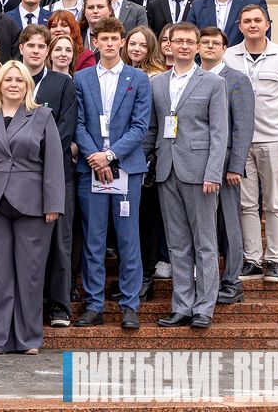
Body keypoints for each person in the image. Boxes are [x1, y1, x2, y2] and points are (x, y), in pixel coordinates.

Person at [0, 61, 64, 354]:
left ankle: (28, 339)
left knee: (30, 274)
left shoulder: (42, 115)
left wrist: (53, 203)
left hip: (32, 204)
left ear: (27, 85)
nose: (14, 84)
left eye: (20, 80)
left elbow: (54, 163)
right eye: (9, 80)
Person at [145, 22, 229, 329]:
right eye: (177, 40)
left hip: (200, 172)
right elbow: (154, 128)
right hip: (167, 171)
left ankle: (204, 308)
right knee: (178, 243)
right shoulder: (157, 83)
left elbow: (220, 133)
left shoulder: (212, 83)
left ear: (196, 47)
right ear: (168, 44)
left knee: (205, 243)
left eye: (188, 41)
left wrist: (213, 173)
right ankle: (182, 305)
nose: (182, 45)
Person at [72, 17, 151, 330]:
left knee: (128, 239)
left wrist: (110, 155)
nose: (107, 43)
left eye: (113, 38)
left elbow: (140, 126)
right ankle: (94, 304)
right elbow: (77, 123)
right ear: (95, 41)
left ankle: (130, 305)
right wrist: (95, 156)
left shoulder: (138, 79)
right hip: (90, 168)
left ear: (122, 42)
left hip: (126, 168)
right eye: (102, 38)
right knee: (94, 239)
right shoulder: (82, 78)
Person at [225, 4, 278, 282]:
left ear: (267, 23)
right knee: (246, 204)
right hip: (240, 143)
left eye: (257, 20)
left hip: (273, 140)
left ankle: (273, 260)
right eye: (246, 21)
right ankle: (252, 259)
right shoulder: (229, 57)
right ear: (239, 26)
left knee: (273, 202)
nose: (252, 25)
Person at [16, 26, 78, 328]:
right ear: (22, 49)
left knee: (60, 241)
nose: (36, 51)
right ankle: (26, 304)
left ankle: (59, 306)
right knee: (25, 241)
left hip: (57, 172)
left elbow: (66, 127)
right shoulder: (12, 79)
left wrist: (39, 155)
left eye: (42, 46)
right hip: (19, 175)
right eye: (31, 46)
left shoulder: (61, 83)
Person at [198, 26, 255, 304]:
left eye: (215, 43)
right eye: (204, 42)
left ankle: (232, 281)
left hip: (226, 166)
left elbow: (243, 127)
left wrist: (235, 165)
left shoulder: (237, 80)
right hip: (196, 164)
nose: (209, 46)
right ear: (197, 47)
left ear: (223, 49)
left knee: (229, 223)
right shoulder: (192, 78)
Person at [124, 24, 172, 295]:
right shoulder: (120, 72)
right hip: (121, 156)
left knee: (147, 220)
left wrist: (146, 157)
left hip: (146, 158)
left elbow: (153, 123)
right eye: (133, 44)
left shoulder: (156, 78)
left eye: (143, 45)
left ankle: (147, 276)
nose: (137, 49)